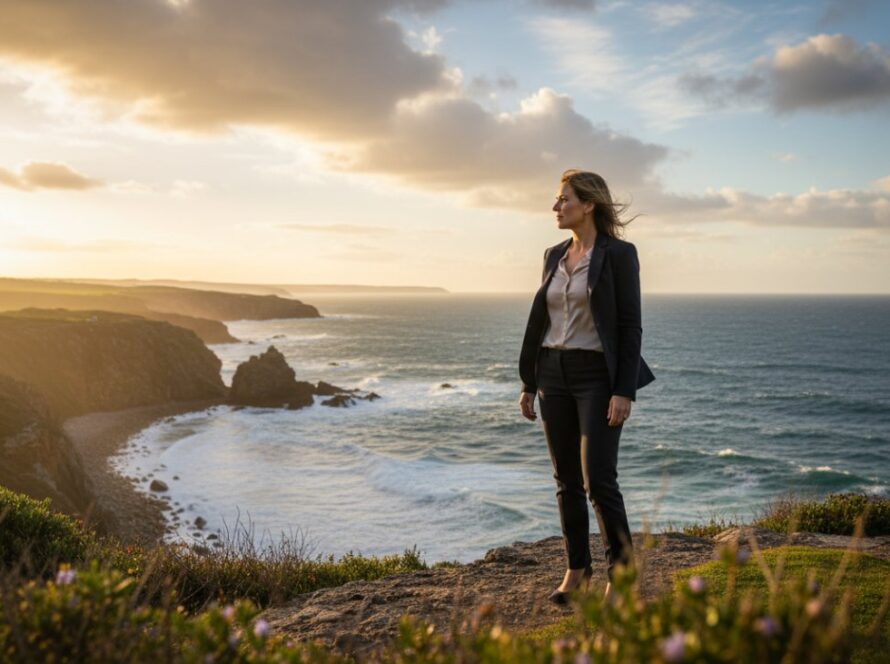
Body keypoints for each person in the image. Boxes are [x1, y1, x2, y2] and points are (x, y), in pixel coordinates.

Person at [518, 169, 655, 605]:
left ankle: (623, 573)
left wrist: (624, 390)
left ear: (588, 204)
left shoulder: (619, 255)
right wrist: (528, 381)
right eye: (557, 200)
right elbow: (543, 321)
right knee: (566, 482)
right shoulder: (553, 254)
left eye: (563, 199)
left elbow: (630, 327)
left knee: (599, 480)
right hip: (552, 373)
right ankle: (577, 571)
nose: (556, 207)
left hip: (597, 376)